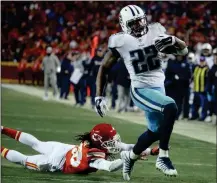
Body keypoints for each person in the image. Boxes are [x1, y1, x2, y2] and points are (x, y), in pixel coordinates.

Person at [94, 5, 188, 180]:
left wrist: (174, 40)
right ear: (124, 25)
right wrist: (99, 95)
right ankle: (163, 157)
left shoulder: (156, 32)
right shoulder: (120, 41)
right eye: (134, 23)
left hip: (159, 87)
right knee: (171, 107)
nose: (139, 25)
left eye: (140, 21)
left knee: (156, 132)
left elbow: (184, 51)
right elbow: (104, 68)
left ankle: (130, 157)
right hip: (141, 90)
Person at [1, 123, 159, 174]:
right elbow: (110, 167)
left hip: (64, 149)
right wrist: (131, 157)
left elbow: (129, 147)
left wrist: (150, 151)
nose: (114, 142)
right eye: (110, 140)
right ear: (100, 141)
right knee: (24, 160)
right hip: (56, 163)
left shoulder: (93, 141)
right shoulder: (94, 154)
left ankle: (2, 129)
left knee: (36, 143)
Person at [165, 55, 192, 119]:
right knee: (170, 101)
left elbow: (188, 76)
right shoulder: (171, 62)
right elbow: (168, 73)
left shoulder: (186, 64)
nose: (179, 57)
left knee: (179, 102)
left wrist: (180, 77)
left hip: (182, 86)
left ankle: (177, 115)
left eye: (180, 55)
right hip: (172, 86)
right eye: (178, 55)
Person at [190, 56, 209, 121]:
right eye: (200, 61)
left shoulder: (207, 69)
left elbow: (208, 80)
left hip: (202, 90)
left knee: (203, 105)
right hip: (196, 89)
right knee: (195, 104)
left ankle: (203, 116)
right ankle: (194, 115)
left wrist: (206, 89)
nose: (201, 62)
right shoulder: (196, 68)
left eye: (202, 61)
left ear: (205, 61)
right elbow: (193, 77)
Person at [207, 48, 217, 124]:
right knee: (213, 102)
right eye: (215, 56)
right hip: (215, 89)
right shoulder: (212, 68)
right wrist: (209, 89)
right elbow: (209, 80)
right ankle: (211, 116)